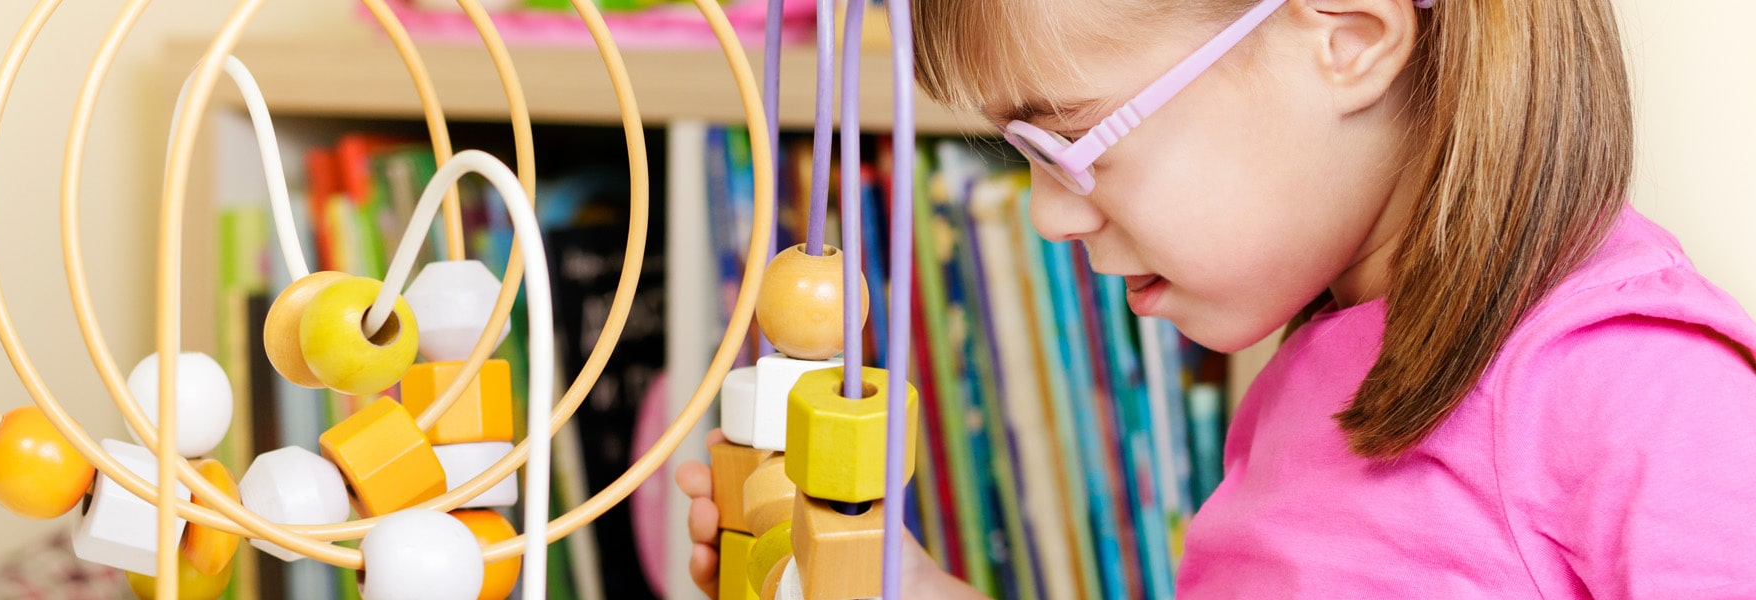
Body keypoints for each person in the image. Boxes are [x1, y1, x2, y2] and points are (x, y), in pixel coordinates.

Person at [678, 0, 1756, 596]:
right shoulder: (1320, 378)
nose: (1051, 215)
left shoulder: (1642, 393)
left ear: (1351, 38)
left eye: (1068, 138)